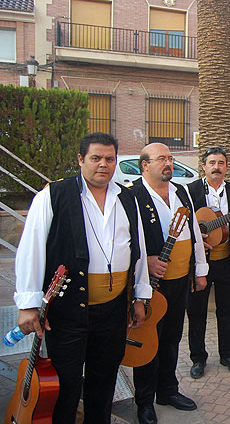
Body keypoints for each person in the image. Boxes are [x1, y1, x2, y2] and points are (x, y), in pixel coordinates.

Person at [14, 132, 151, 423]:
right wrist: (28, 303)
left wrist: (140, 296)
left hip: (113, 311)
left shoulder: (127, 198)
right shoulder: (54, 195)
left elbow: (136, 249)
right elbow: (31, 249)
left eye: (110, 159)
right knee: (65, 385)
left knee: (104, 383)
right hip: (68, 311)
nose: (103, 164)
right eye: (96, 158)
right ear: (80, 160)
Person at [130, 143, 208, 424]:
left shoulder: (181, 191)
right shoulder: (133, 196)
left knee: (172, 336)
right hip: (150, 284)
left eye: (170, 158)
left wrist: (200, 270)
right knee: (148, 341)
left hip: (179, 281)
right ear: (145, 165)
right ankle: (144, 401)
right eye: (161, 158)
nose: (168, 163)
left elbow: (195, 235)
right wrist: (147, 260)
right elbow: (126, 240)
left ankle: (168, 390)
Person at [186, 147, 230, 377]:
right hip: (201, 262)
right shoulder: (190, 191)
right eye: (212, 162)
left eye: (221, 163)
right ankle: (198, 358)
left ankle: (228, 355)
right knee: (197, 310)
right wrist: (197, 240)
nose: (216, 167)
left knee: (227, 310)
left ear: (226, 167)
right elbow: (182, 223)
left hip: (227, 262)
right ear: (204, 166)